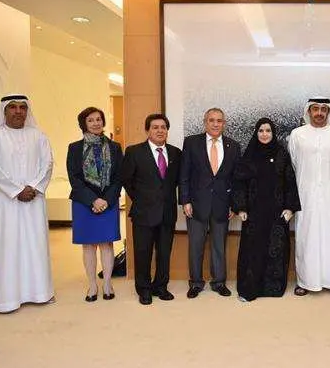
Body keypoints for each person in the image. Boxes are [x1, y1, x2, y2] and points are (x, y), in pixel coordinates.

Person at [0, 94, 54, 313]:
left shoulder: (38, 135)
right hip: (4, 203)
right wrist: (16, 190)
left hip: (34, 200)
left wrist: (33, 187)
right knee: (7, 246)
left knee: (36, 245)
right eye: (13, 108)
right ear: (4, 111)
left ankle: (40, 293)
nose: (18, 111)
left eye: (22, 107)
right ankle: (7, 300)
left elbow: (47, 163)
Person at [233, 118, 301, 302]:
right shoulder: (248, 155)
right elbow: (239, 183)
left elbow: (289, 182)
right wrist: (240, 208)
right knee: (253, 250)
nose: (264, 134)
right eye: (261, 131)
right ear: (256, 133)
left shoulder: (281, 154)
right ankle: (250, 289)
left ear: (273, 133)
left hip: (277, 213)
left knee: (275, 249)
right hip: (253, 214)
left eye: (268, 131)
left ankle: (273, 288)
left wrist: (289, 208)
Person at [288, 97, 330, 296]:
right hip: (305, 194)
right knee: (306, 236)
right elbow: (295, 163)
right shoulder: (297, 135)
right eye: (315, 109)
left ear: (328, 111)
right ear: (309, 111)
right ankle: (305, 281)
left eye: (323, 109)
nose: (320, 113)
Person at [179, 108, 241, 299]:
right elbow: (184, 174)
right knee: (195, 245)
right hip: (196, 204)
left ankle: (219, 282)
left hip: (222, 204)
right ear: (205, 122)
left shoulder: (233, 146)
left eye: (219, 121)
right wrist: (185, 201)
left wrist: (234, 204)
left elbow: (235, 179)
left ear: (224, 123)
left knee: (218, 245)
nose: (215, 124)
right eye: (212, 120)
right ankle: (196, 283)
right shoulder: (191, 143)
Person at [121, 114, 181, 305]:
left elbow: (178, 181)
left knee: (164, 252)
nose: (160, 130)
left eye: (163, 127)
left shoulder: (176, 153)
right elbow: (126, 180)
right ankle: (144, 289)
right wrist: (141, 198)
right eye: (155, 127)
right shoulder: (134, 152)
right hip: (143, 212)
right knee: (143, 252)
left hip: (167, 212)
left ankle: (161, 287)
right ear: (147, 130)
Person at [66, 107, 123, 302]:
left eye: (99, 119)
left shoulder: (115, 147)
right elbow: (74, 178)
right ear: (84, 124)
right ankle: (92, 284)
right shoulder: (74, 148)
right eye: (91, 120)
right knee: (88, 246)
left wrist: (105, 199)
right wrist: (93, 200)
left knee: (106, 244)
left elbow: (118, 177)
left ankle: (107, 283)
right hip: (84, 202)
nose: (96, 123)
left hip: (109, 200)